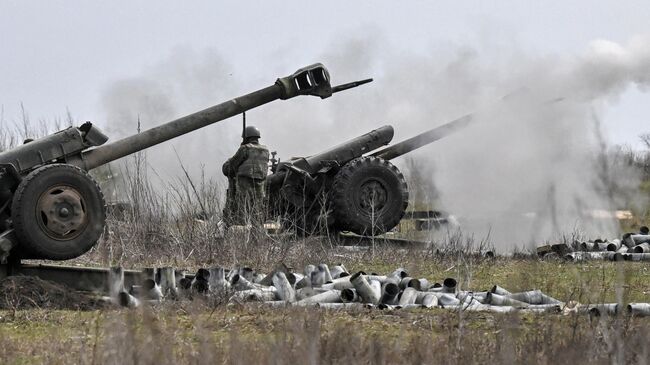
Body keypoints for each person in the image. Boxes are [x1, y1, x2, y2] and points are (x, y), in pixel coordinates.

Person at [222, 126, 270, 226]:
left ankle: (241, 235)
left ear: (246, 137)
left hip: (245, 185)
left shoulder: (245, 149)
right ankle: (257, 237)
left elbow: (231, 167)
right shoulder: (266, 150)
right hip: (260, 186)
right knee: (257, 214)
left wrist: (226, 165)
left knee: (242, 211)